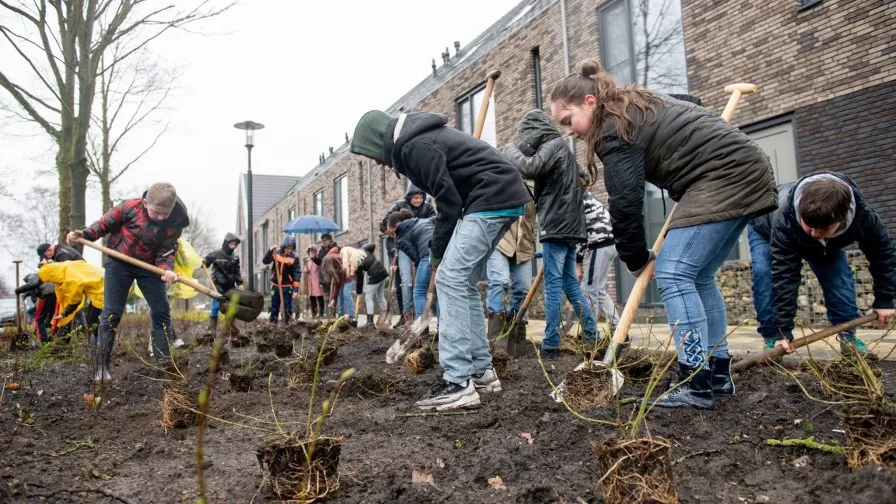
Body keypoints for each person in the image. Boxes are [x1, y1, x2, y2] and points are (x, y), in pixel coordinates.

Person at [549, 60, 777, 410]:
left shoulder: (614, 128)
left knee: (673, 272)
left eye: (568, 120)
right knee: (698, 277)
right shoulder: (637, 101)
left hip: (724, 177)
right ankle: (716, 374)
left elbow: (625, 203)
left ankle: (694, 381)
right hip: (745, 172)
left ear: (590, 102)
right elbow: (691, 102)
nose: (569, 131)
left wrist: (636, 259)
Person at [350, 108, 532, 411]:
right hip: (500, 196)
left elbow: (448, 202)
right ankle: (481, 371)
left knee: (450, 279)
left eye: (373, 156)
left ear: (379, 142)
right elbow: (450, 198)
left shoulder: (414, 147)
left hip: (491, 197)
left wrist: (436, 253)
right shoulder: (417, 143)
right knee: (464, 283)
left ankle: (458, 381)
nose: (379, 163)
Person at [749, 172, 896, 361]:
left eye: (823, 229)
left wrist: (884, 299)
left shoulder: (863, 216)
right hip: (764, 227)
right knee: (764, 273)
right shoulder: (784, 220)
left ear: (842, 218)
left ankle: (848, 339)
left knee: (838, 277)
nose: (815, 233)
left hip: (826, 242)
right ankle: (772, 339)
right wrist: (782, 331)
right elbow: (785, 277)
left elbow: (882, 253)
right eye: (809, 226)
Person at [67, 182, 189, 381]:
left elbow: (166, 250)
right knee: (111, 313)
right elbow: (103, 225)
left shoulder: (176, 221)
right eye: (156, 212)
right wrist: (84, 234)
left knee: (161, 311)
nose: (160, 217)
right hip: (119, 262)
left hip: (149, 267)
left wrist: (167, 269)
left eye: (165, 214)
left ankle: (164, 363)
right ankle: (101, 369)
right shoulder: (129, 207)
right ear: (145, 202)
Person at [501, 109, 597, 359]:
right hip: (571, 227)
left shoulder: (553, 145)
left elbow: (530, 167)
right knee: (570, 285)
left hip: (556, 225)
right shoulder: (563, 149)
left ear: (535, 131)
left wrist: (509, 149)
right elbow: (584, 177)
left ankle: (551, 344)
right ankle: (593, 336)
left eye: (527, 137)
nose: (527, 143)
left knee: (553, 286)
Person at [380, 185, 437, 328]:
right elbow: (385, 224)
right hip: (408, 246)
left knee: (421, 288)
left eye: (421, 198)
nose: (418, 200)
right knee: (406, 282)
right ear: (409, 197)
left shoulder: (428, 207)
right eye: (415, 198)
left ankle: (422, 324)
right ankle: (407, 316)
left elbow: (435, 220)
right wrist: (393, 252)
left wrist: (422, 265)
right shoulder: (399, 206)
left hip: (422, 245)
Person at [484, 201, 536, 342]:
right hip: (499, 240)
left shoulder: (534, 191)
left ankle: (515, 333)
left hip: (524, 244)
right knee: (500, 281)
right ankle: (495, 337)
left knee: (523, 288)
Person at [576, 191, 619, 330]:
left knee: (588, 290)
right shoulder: (586, 195)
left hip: (600, 244)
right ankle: (618, 329)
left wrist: (578, 262)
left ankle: (590, 333)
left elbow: (580, 233)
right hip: (610, 244)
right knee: (599, 290)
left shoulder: (576, 197)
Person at [202, 233, 244, 333]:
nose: (233, 246)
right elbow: (206, 262)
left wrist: (240, 283)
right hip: (217, 284)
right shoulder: (216, 254)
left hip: (230, 285)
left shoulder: (235, 257)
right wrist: (204, 261)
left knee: (231, 306)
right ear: (226, 243)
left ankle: (228, 328)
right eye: (231, 244)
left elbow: (236, 271)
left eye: (234, 244)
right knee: (216, 306)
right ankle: (211, 330)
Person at [262, 236, 300, 324]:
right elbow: (265, 261)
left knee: (287, 306)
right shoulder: (276, 253)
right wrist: (270, 251)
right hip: (276, 285)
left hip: (287, 286)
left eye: (291, 248)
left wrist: (295, 290)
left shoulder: (294, 258)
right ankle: (273, 323)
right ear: (283, 247)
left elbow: (297, 274)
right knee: (274, 306)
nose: (288, 250)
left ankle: (287, 323)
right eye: (287, 248)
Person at [352, 243, 389, 326]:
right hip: (382, 271)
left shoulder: (357, 259)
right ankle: (386, 316)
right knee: (380, 295)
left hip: (375, 274)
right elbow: (372, 245)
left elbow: (360, 278)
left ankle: (370, 322)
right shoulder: (366, 252)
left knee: (368, 297)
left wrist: (359, 291)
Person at [321, 246, 356, 321]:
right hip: (343, 277)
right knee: (340, 294)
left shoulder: (340, 264)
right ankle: (341, 315)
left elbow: (338, 284)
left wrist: (333, 299)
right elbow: (338, 285)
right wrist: (333, 300)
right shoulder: (329, 259)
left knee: (346, 293)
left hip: (350, 275)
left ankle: (352, 315)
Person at [305, 245, 325, 319]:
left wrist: (321, 282)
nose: (311, 253)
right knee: (312, 297)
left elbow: (320, 267)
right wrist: (306, 268)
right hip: (310, 282)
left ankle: (321, 313)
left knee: (319, 296)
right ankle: (314, 313)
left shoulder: (318, 260)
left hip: (317, 281)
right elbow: (306, 270)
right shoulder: (308, 261)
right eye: (310, 251)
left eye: (313, 251)